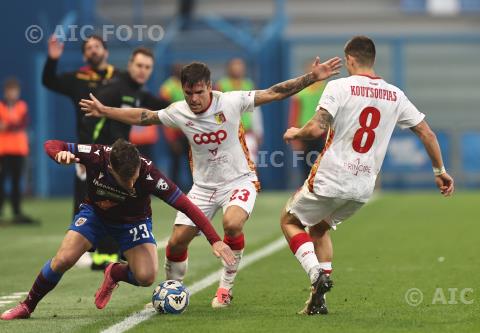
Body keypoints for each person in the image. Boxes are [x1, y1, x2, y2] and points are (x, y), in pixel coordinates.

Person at [80, 57, 343, 308]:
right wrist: (105, 111)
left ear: (209, 87)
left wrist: (312, 77)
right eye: (188, 93)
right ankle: (172, 290)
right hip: (203, 188)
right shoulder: (179, 111)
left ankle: (225, 288)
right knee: (176, 243)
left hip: (239, 181)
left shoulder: (231, 101)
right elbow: (144, 116)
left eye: (198, 92)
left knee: (232, 223)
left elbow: (275, 92)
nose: (193, 99)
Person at [281, 36, 455, 315]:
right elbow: (427, 132)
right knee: (320, 228)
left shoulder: (338, 86)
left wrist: (294, 132)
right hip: (363, 187)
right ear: (372, 59)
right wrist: (440, 172)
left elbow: (315, 129)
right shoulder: (395, 94)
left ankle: (316, 273)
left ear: (350, 59)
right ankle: (318, 301)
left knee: (289, 220)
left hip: (331, 176)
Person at [0, 139, 235, 320]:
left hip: (134, 222)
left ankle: (114, 272)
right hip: (95, 216)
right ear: (110, 168)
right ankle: (27, 306)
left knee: (146, 277)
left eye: (134, 178)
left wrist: (214, 239)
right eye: (126, 180)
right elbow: (51, 144)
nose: (132, 185)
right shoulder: (95, 156)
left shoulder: (150, 174)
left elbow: (186, 205)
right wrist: (58, 155)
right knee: (63, 259)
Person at [42, 34, 121, 269]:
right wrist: (52, 60)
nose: (93, 50)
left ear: (106, 51)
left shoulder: (120, 78)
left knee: (117, 201)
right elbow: (49, 81)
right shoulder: (78, 79)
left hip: (116, 151)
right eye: (88, 48)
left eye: (97, 46)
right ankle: (85, 249)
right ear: (85, 54)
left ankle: (117, 249)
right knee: (84, 200)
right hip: (85, 153)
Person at [94, 47, 168, 160]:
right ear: (130, 65)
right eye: (139, 65)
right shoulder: (115, 86)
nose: (143, 70)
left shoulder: (139, 90)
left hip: (120, 153)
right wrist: (86, 150)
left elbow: (159, 104)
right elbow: (90, 117)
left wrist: (187, 106)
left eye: (147, 67)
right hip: (101, 153)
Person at [0, 78, 36, 224]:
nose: (12, 94)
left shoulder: (22, 106)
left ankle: (16, 211)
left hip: (19, 150)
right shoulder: (1, 106)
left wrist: (7, 124)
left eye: (14, 91)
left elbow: (22, 123)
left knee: (16, 182)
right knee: (1, 181)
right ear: (5, 92)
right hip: (3, 150)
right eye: (10, 91)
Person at [216, 58, 264, 162]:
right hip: (228, 133)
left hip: (247, 132)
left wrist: (258, 130)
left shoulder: (249, 84)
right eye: (235, 65)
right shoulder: (221, 84)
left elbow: (255, 109)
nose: (237, 68)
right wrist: (219, 129)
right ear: (229, 68)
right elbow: (216, 109)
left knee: (251, 163)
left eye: (240, 66)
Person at [288, 63, 327, 180]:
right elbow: (294, 115)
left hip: (322, 133)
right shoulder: (301, 92)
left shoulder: (326, 90)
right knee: (305, 167)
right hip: (304, 133)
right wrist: (295, 138)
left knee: (323, 166)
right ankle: (306, 190)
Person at [158, 63, 191, 190]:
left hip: (189, 131)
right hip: (175, 132)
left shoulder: (189, 85)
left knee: (193, 163)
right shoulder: (167, 88)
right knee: (175, 164)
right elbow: (164, 113)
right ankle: (172, 191)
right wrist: (171, 138)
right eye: (177, 69)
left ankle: (195, 189)